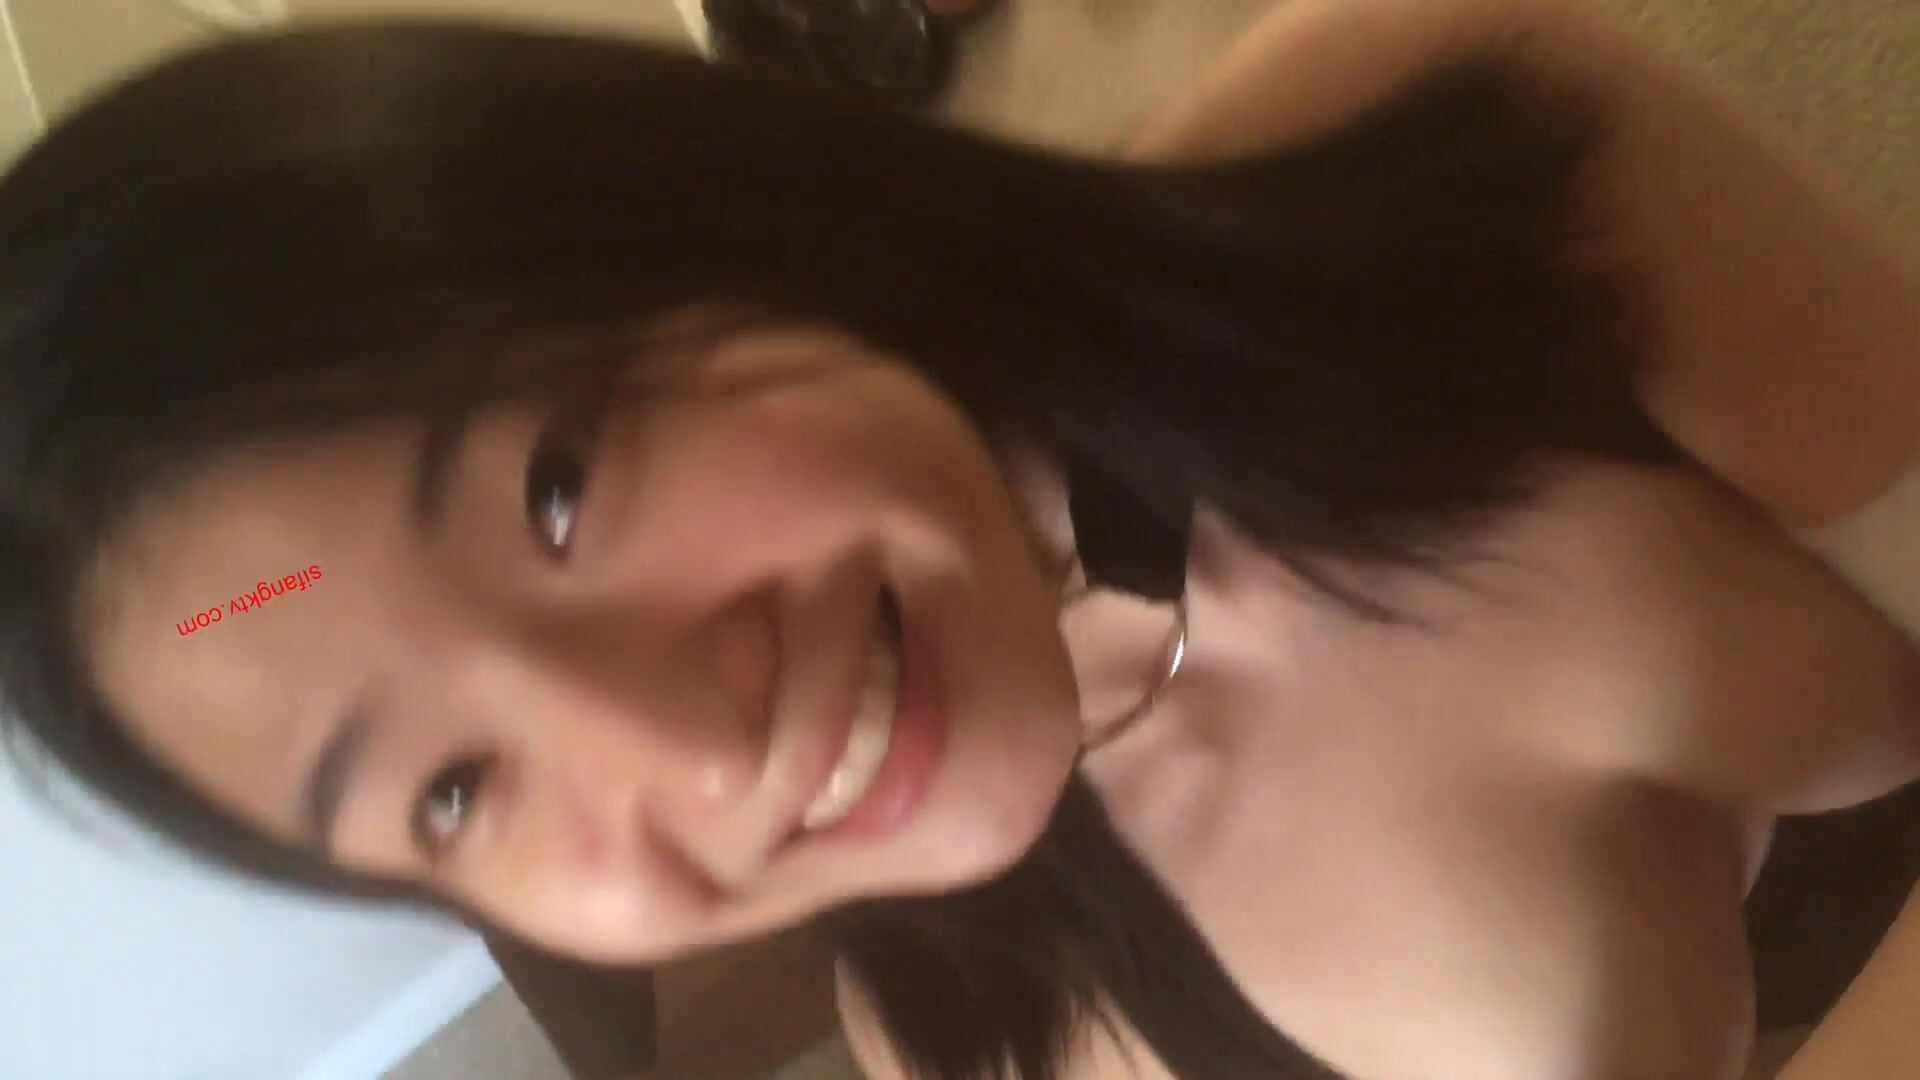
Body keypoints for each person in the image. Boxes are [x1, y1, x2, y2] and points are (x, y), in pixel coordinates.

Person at [0, 2, 1915, 1078]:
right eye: (448, 792)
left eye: (557, 493)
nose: (694, 754)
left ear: (688, 212)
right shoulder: (991, 1037)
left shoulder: (1439, 155)